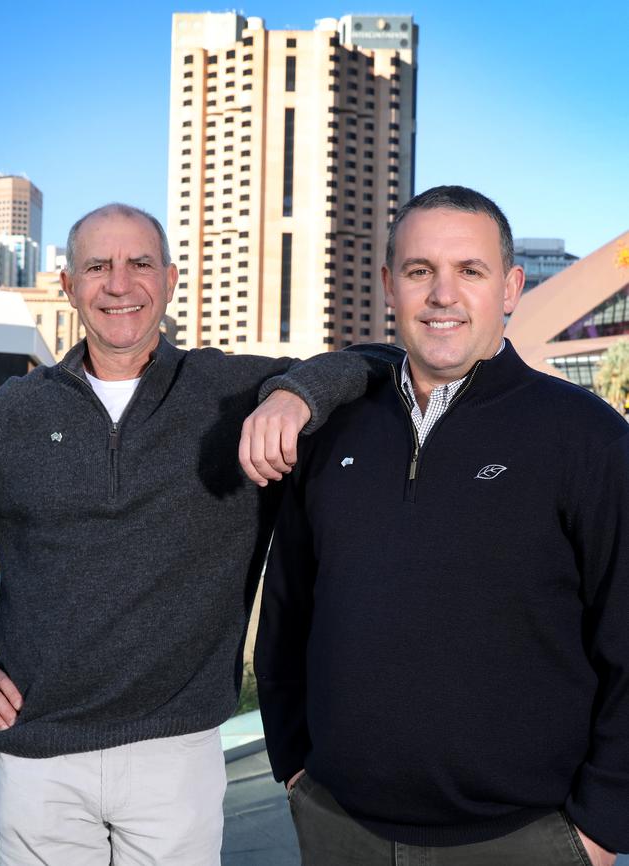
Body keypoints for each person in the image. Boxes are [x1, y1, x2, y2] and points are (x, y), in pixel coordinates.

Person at [0, 202, 393, 866]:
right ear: (67, 285)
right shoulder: (9, 416)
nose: (119, 284)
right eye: (98, 266)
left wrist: (295, 396)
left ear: (170, 279)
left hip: (176, 754)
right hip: (36, 756)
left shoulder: (232, 391)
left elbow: (378, 361)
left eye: (140, 263)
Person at [255, 186, 628, 866]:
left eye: (471, 271)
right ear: (389, 285)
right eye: (420, 271)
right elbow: (287, 611)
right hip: (340, 825)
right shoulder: (333, 430)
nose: (442, 295)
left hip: (527, 839)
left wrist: (602, 828)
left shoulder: (587, 438)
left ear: (511, 288)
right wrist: (294, 764)